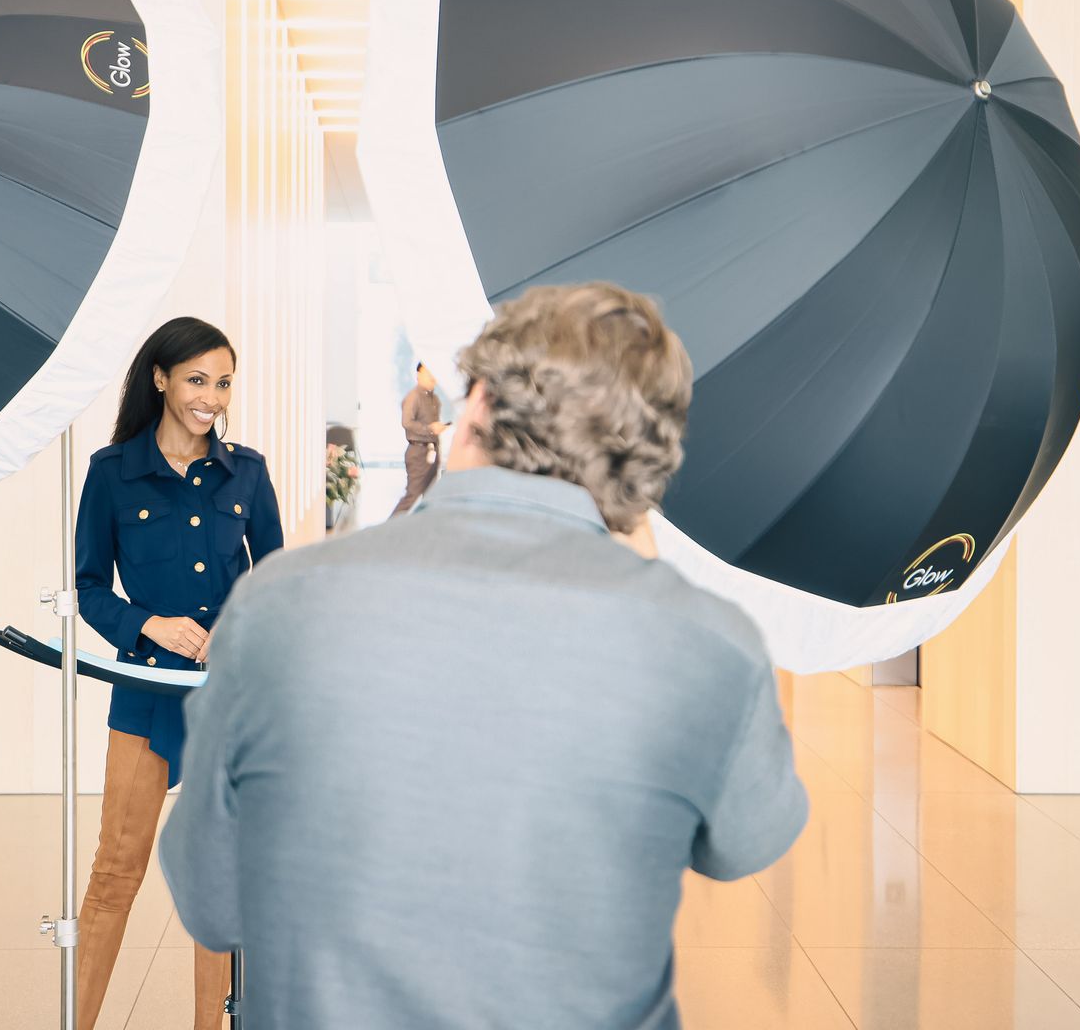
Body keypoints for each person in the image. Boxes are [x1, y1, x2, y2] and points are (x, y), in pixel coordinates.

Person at [159, 283, 808, 1030]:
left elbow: (211, 902)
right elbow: (745, 843)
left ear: (477, 407)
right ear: (646, 466)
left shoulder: (280, 602)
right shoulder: (708, 641)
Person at [73, 316, 283, 1030]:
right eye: (198, 380)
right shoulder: (111, 473)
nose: (212, 398)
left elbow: (276, 579)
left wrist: (235, 625)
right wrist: (147, 624)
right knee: (115, 873)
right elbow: (90, 586)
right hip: (144, 700)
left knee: (216, 886)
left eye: (223, 383)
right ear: (160, 379)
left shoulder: (247, 473)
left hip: (229, 703)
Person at [390, 362, 446, 518]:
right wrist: (429, 428)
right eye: (428, 373)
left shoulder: (434, 399)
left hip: (433, 451)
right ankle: (390, 528)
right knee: (413, 495)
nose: (432, 377)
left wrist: (437, 429)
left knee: (431, 494)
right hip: (418, 451)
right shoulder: (413, 397)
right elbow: (407, 422)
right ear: (418, 375)